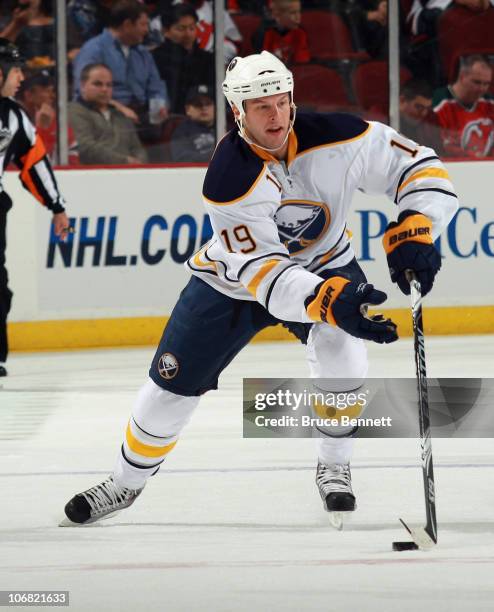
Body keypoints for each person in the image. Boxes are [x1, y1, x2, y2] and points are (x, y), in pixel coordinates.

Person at [61, 51, 458, 527]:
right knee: (169, 387)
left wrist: (419, 222)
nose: (277, 115)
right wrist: (330, 300)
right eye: (262, 107)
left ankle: (334, 463)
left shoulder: (343, 137)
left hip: (326, 263)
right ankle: (124, 484)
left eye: (283, 102)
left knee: (345, 353)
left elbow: (422, 168)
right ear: (238, 113)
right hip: (233, 281)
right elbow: (267, 275)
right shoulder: (229, 177)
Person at [0, 39, 71, 377]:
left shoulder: (14, 115)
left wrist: (56, 206)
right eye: (15, 71)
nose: (20, 79)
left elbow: (35, 163)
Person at [73, 0, 169, 134]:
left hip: (142, 117)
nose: (147, 30)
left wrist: (159, 106)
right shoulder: (93, 50)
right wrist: (118, 108)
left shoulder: (143, 53)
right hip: (106, 117)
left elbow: (156, 86)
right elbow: (84, 91)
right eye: (143, 25)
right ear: (127, 25)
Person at [69, 63, 147, 165]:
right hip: (95, 176)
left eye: (109, 85)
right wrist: (125, 162)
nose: (104, 89)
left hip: (131, 174)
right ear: (83, 86)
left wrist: (141, 163)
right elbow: (85, 147)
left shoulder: (120, 115)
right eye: (98, 84)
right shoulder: (74, 111)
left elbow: (137, 147)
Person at [151, 4, 215, 114]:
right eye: (181, 29)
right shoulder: (156, 58)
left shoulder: (207, 59)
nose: (188, 34)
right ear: (165, 31)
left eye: (192, 28)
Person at [433, 54, 494, 157]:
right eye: (477, 82)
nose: (482, 89)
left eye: (486, 83)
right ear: (462, 77)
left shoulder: (490, 104)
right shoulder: (438, 104)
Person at [17, 69, 80, 164]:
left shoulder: (56, 121)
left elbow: (73, 159)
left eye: (53, 91)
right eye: (47, 91)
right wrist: (42, 130)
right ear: (29, 95)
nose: (53, 96)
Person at [252, 0, 310, 66]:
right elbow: (262, 64)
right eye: (292, 13)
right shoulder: (265, 35)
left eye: (299, 12)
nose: (298, 17)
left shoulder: (300, 33)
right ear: (277, 15)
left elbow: (302, 63)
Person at [170, 84, 215, 162]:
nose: (204, 108)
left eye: (208, 104)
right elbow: (182, 158)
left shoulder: (228, 129)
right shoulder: (182, 131)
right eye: (198, 104)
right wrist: (213, 157)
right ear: (188, 109)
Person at [400, 78, 443, 154]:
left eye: (427, 108)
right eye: (419, 107)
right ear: (402, 100)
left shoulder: (430, 123)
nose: (424, 113)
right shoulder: (381, 120)